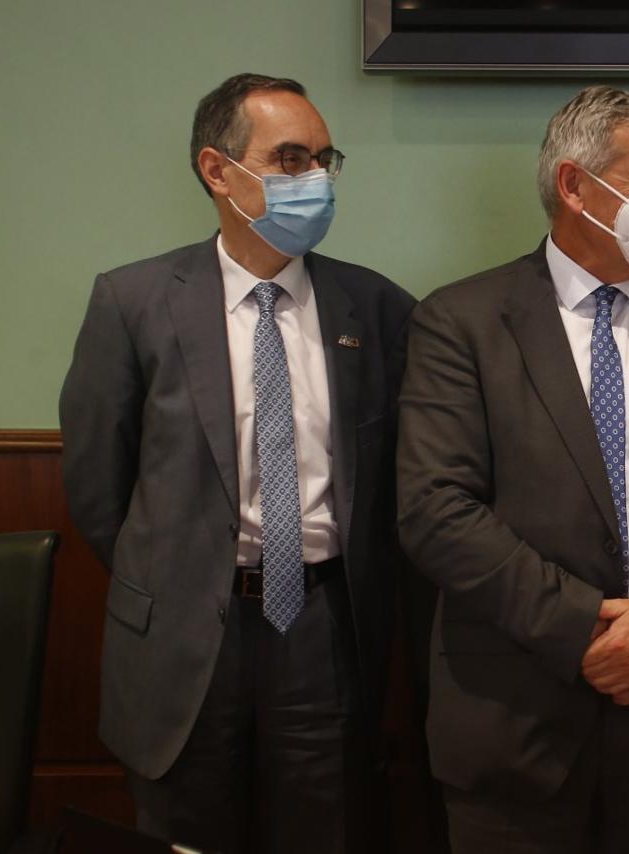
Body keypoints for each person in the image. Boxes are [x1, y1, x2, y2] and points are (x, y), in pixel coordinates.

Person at [397, 84, 629, 853]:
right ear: (575, 186)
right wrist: (587, 633)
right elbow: (437, 510)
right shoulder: (460, 322)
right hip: (515, 731)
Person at [59, 73, 416, 854]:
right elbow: (97, 486)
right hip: (185, 633)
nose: (313, 180)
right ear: (218, 170)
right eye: (289, 159)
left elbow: (395, 485)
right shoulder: (133, 301)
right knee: (188, 835)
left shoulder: (380, 308)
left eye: (325, 159)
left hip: (325, 630)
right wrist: (174, 574)